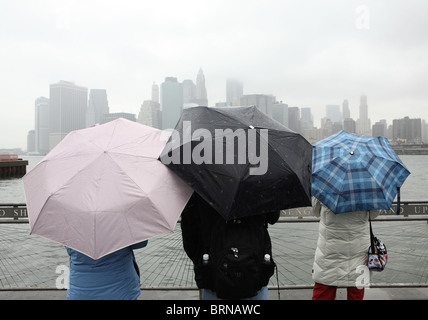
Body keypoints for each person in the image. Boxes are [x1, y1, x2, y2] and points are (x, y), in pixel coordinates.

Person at [181, 193, 279, 300]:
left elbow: (189, 232)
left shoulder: (202, 184)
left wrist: (202, 260)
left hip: (212, 273)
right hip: (255, 272)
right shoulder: (260, 183)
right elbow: (273, 217)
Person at [311, 196, 379, 300]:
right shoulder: (367, 188)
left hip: (329, 251)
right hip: (358, 250)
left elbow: (315, 212)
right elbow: (374, 214)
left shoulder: (324, 186)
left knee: (324, 288)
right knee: (356, 291)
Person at [66, 241, 148, 300]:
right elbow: (140, 243)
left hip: (80, 290)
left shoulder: (72, 223)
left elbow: (69, 249)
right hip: (121, 289)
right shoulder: (120, 221)